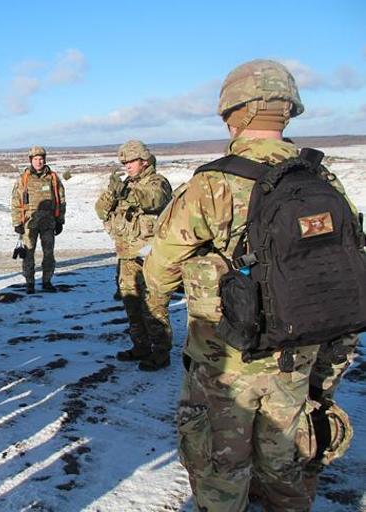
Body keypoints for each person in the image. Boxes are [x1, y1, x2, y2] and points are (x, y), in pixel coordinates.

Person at [143, 59, 362, 511]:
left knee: (222, 471)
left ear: (235, 113)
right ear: (287, 112)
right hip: (299, 356)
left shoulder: (214, 184)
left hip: (227, 362)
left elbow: (159, 269)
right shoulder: (323, 179)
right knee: (286, 466)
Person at [95, 140, 172, 370]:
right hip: (126, 256)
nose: (127, 166)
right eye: (124, 162)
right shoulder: (125, 185)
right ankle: (140, 345)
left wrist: (128, 194)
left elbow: (154, 199)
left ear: (144, 160)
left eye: (131, 161)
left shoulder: (158, 183)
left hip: (149, 256)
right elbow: (101, 210)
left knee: (153, 306)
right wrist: (111, 193)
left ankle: (160, 351)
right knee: (131, 304)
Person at [10, 146, 65, 294]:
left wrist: (60, 220)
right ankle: (30, 283)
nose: (39, 162)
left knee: (49, 254)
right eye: (35, 159)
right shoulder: (24, 178)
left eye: (41, 159)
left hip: (48, 223)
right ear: (31, 160)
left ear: (44, 160)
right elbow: (16, 202)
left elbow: (61, 200)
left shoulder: (52, 178)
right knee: (28, 254)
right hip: (29, 223)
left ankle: (47, 281)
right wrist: (17, 223)